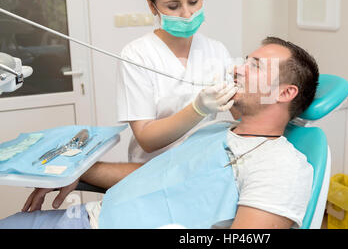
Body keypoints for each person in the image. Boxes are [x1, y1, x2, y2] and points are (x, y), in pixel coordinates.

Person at [0, 36, 319, 229]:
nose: (237, 68)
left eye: (256, 66)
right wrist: (78, 171)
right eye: (245, 61)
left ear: (284, 93)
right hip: (92, 217)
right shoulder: (217, 130)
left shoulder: (282, 168)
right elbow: (156, 176)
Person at [116, 0, 238, 163]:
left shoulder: (216, 50)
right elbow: (146, 138)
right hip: (151, 170)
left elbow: (241, 113)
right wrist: (197, 109)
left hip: (202, 164)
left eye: (194, 1)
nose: (187, 14)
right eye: (173, 6)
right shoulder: (136, 55)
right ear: (152, 5)